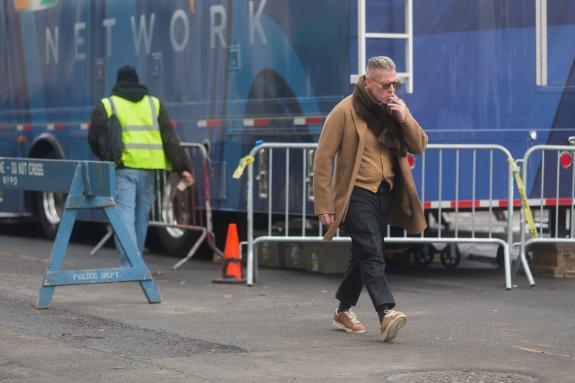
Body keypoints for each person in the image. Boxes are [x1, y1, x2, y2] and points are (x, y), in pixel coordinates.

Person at [313, 56, 427, 341]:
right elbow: (323, 159)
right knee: (372, 253)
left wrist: (405, 118)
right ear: (367, 82)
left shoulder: (394, 110)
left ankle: (343, 309)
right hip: (356, 194)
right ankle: (386, 312)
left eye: (395, 84)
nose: (392, 90)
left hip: (385, 192)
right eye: (386, 85)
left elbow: (419, 145)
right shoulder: (344, 111)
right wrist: (324, 204)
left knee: (364, 253)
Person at [89, 65, 194, 266]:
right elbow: (170, 139)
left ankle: (129, 263)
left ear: (118, 82)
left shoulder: (109, 104)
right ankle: (137, 261)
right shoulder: (154, 104)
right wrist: (183, 169)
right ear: (137, 81)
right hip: (149, 169)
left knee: (125, 213)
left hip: (124, 167)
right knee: (141, 216)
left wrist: (107, 157)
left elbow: (94, 138)